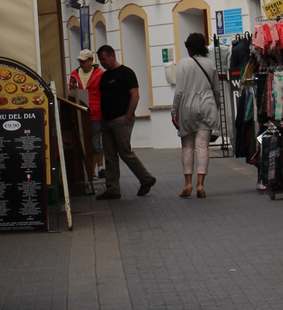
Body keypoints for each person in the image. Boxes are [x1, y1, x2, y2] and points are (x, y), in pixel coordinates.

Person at [95, 44, 156, 199]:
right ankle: (113, 189)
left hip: (121, 119)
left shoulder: (126, 73)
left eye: (104, 59)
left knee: (124, 152)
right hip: (107, 120)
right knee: (109, 155)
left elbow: (135, 95)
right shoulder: (105, 76)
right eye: (100, 60)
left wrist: (128, 116)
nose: (102, 63)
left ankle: (146, 178)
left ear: (112, 56)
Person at [171, 32, 220, 199]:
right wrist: (217, 108)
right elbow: (216, 90)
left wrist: (174, 111)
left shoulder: (183, 64)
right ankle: (200, 184)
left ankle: (188, 183)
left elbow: (179, 91)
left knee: (187, 146)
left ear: (189, 47)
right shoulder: (210, 64)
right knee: (202, 147)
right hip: (207, 105)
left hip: (187, 107)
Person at [68, 47, 104, 181]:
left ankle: (93, 170)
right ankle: (92, 170)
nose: (81, 64)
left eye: (83, 61)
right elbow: (71, 91)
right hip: (80, 112)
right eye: (80, 61)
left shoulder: (99, 74)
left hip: (95, 112)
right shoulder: (74, 74)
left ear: (90, 61)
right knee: (86, 142)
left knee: (94, 142)